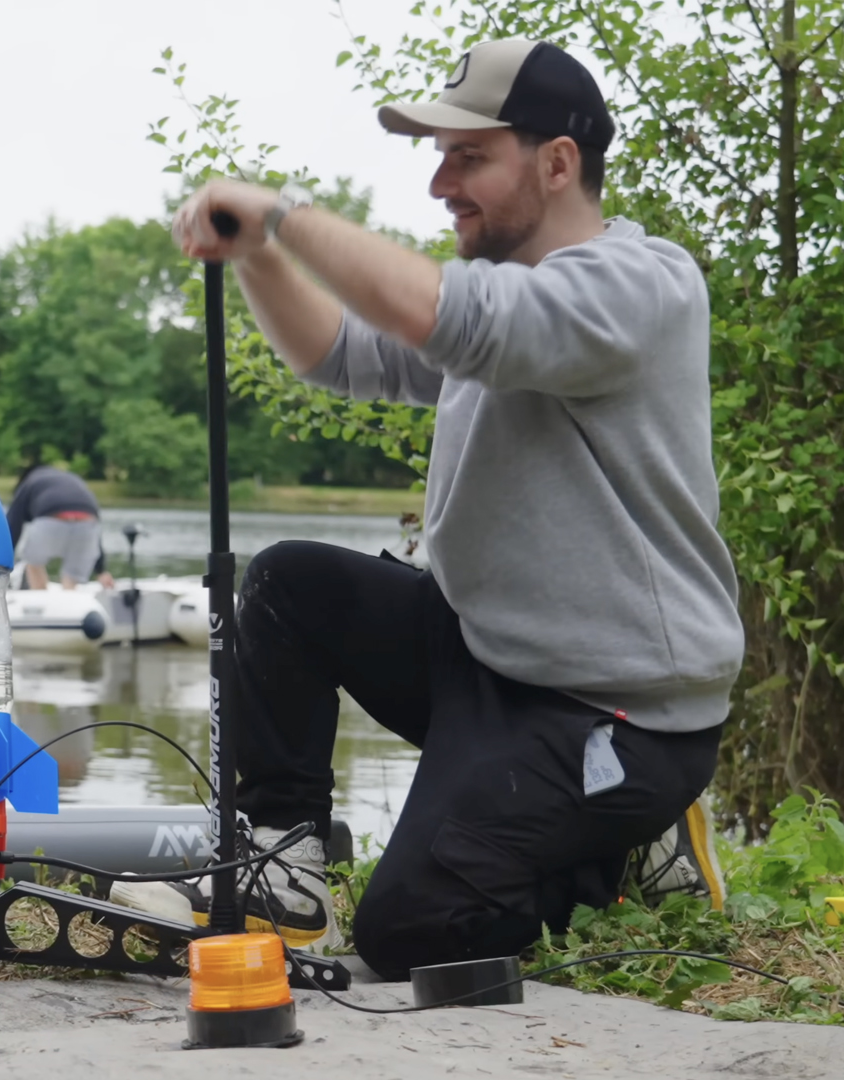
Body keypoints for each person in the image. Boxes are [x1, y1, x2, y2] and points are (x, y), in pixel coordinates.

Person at [109, 38, 743, 978]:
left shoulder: (643, 286)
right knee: (289, 585)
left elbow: (454, 318)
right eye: (439, 158)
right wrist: (256, 254)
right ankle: (286, 870)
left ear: (558, 161)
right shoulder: (499, 294)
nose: (442, 183)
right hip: (489, 655)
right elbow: (338, 354)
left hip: (615, 711)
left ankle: (625, 840)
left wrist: (285, 214)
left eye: (469, 157)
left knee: (413, 933)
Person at [6, 463, 115, 590]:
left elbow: (12, 525)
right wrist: (101, 570)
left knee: (34, 564)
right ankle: (69, 597)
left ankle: (40, 595)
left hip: (51, 518)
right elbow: (94, 530)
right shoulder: (72, 479)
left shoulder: (29, 482)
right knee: (71, 580)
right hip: (88, 523)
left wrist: (3, 564)